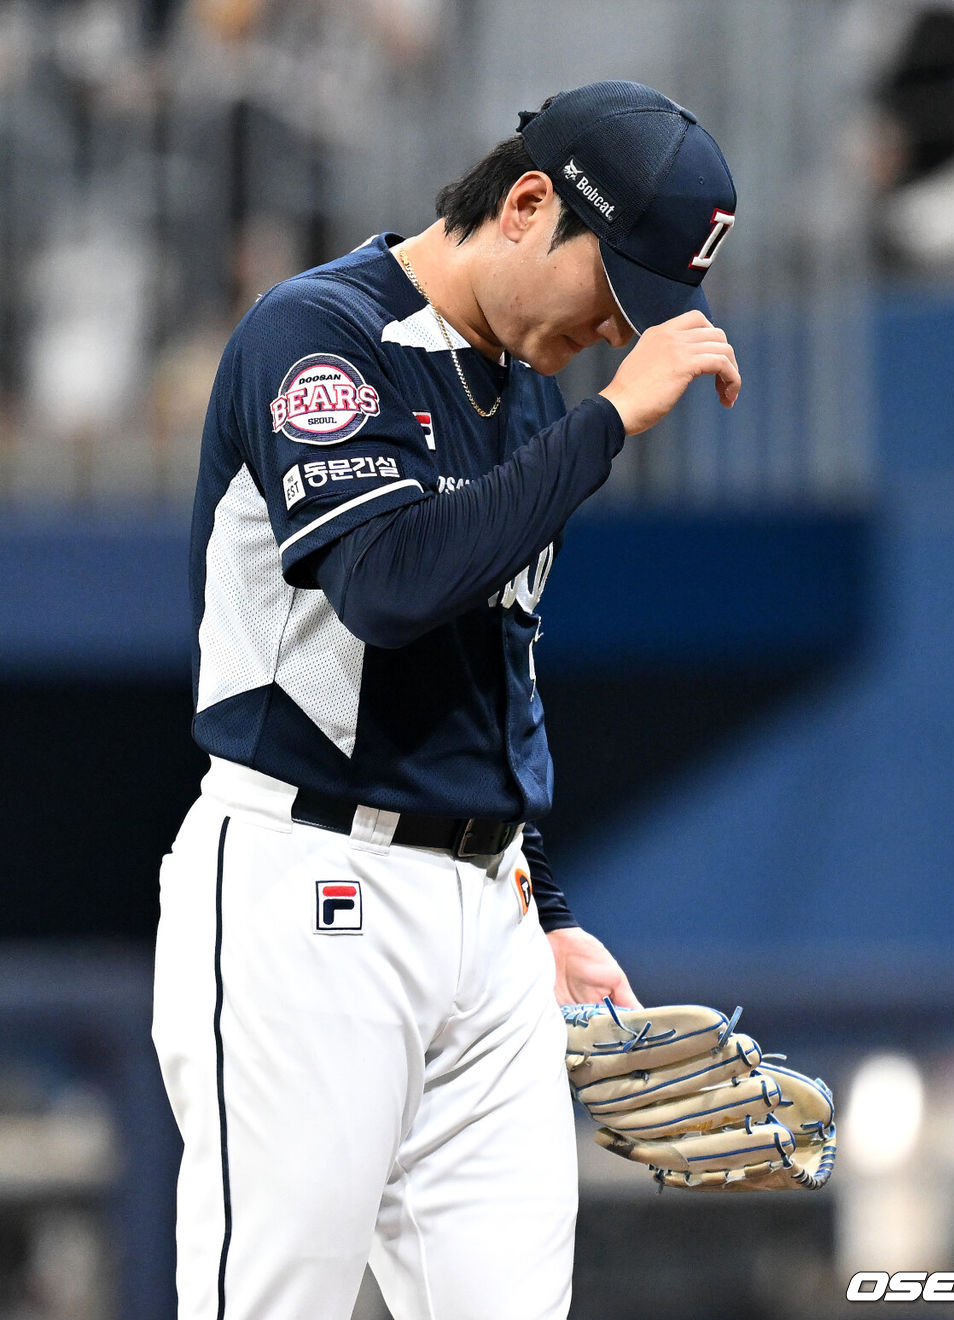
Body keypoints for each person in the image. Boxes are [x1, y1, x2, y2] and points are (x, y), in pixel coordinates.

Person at [152, 79, 740, 1320]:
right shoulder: (318, 336)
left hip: (486, 913)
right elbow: (387, 584)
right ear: (527, 205)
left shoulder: (527, 384)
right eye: (616, 292)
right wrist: (611, 428)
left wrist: (547, 905)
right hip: (310, 880)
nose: (618, 335)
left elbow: (497, 659)